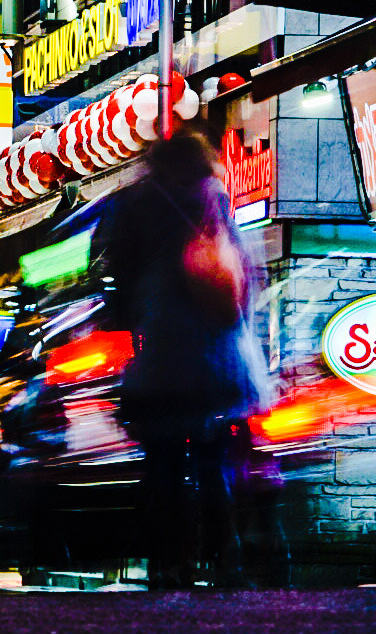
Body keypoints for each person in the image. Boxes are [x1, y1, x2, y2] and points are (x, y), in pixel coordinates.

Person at [105, 127, 272, 589]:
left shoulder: (133, 203)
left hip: (158, 358)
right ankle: (224, 559)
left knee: (162, 466)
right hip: (213, 358)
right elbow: (241, 273)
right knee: (213, 459)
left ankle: (167, 562)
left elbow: (116, 279)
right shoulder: (213, 195)